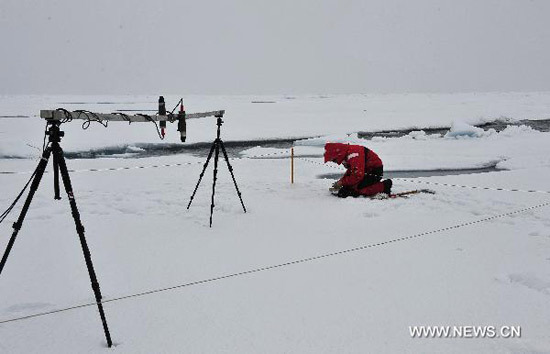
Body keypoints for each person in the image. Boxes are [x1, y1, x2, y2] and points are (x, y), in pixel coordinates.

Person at [324, 142, 392, 198]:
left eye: (333, 160)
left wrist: (342, 183)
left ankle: (384, 186)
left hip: (374, 172)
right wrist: (342, 181)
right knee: (347, 189)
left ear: (337, 154)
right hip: (366, 171)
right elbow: (352, 171)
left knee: (356, 191)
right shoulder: (348, 152)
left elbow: (357, 175)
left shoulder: (353, 154)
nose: (334, 162)